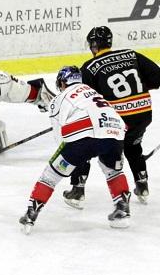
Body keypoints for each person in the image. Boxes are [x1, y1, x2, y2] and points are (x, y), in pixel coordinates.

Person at [19, 66, 130, 234]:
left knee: (50, 176)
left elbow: (61, 138)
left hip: (83, 136)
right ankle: (122, 210)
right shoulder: (93, 92)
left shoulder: (60, 98)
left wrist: (72, 159)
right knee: (112, 170)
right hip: (115, 131)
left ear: (63, 82)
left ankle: (30, 215)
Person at [62, 26, 160, 208]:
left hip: (117, 121)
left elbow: (87, 98)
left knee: (84, 145)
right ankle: (142, 185)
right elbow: (156, 77)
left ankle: (77, 190)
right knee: (133, 146)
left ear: (94, 45)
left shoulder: (89, 67)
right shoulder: (131, 54)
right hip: (143, 113)